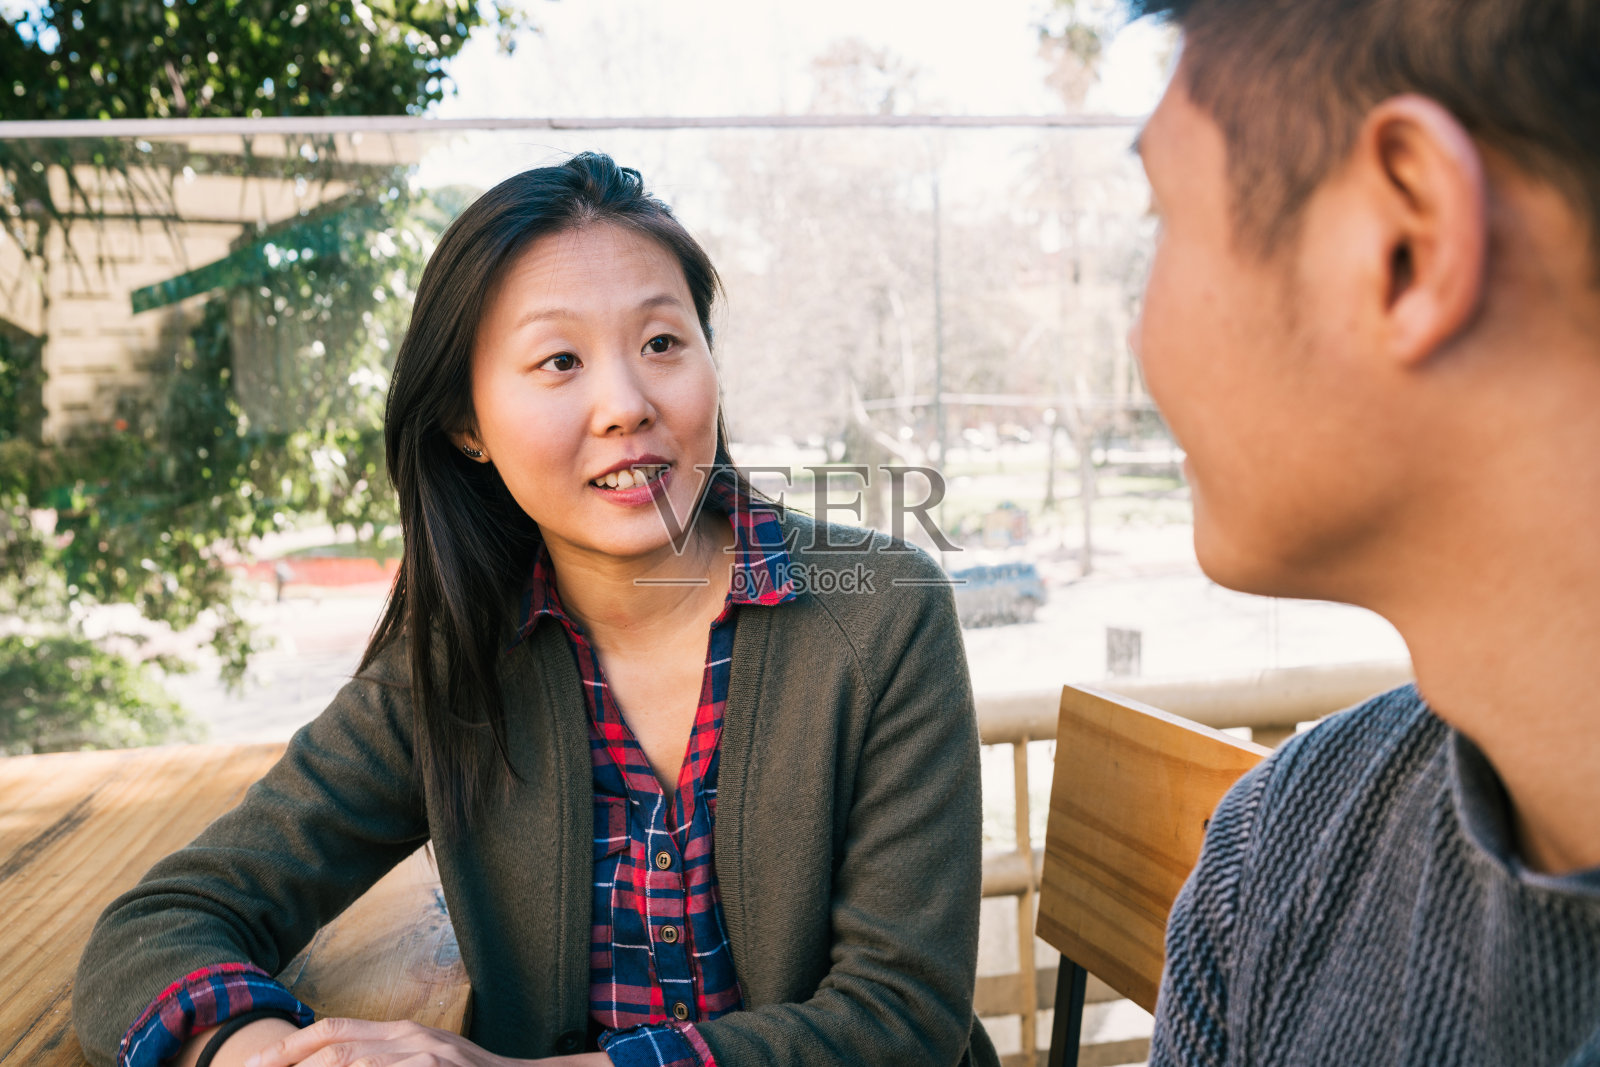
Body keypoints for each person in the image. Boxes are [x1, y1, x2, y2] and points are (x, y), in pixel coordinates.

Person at [74, 154, 998, 1067]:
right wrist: (275, 1055)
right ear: (466, 424)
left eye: (662, 343)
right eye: (560, 360)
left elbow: (902, 1016)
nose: (626, 405)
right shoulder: (456, 659)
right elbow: (160, 927)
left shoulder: (881, 614)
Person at [1124, 0, 1600, 1063]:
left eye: (1163, 218)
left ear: (1404, 244)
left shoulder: (1280, 859)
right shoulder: (1275, 844)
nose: (1138, 336)